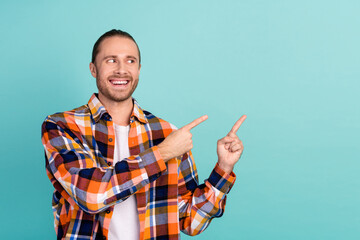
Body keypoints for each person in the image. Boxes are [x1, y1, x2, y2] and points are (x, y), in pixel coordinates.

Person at [41, 29, 246, 240]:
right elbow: (91, 195)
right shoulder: (62, 126)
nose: (121, 70)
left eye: (130, 61)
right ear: (93, 69)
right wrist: (163, 153)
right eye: (111, 60)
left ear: (138, 69)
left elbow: (189, 221)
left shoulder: (167, 132)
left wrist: (224, 168)